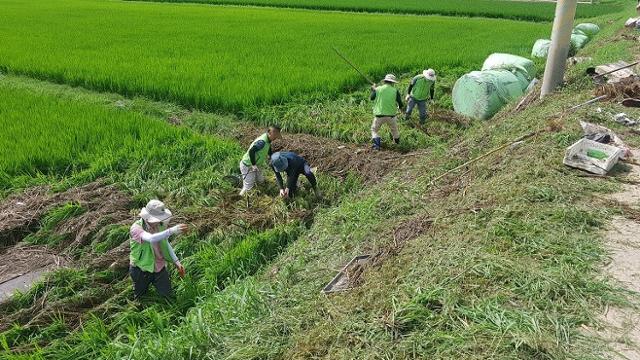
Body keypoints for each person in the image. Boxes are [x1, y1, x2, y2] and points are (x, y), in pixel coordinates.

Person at [129, 200, 188, 300]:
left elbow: (165, 243)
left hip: (159, 267)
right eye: (156, 219)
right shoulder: (136, 228)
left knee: (168, 296)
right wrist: (172, 230)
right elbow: (151, 238)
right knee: (141, 298)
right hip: (141, 269)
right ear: (147, 217)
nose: (158, 221)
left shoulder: (160, 226)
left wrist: (177, 262)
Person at [239, 126, 282, 196]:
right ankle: (240, 197)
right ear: (269, 133)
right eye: (275, 136)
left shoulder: (268, 140)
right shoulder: (262, 142)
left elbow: (268, 148)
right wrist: (253, 164)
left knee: (260, 180)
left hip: (257, 164)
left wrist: (271, 157)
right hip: (248, 165)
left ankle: (260, 192)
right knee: (248, 186)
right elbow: (251, 151)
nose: (275, 138)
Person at [370, 74, 404, 150]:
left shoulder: (378, 89)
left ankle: (377, 145)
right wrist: (401, 108)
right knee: (394, 130)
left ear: (385, 81)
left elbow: (371, 98)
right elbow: (400, 103)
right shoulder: (395, 91)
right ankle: (397, 145)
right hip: (391, 115)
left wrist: (373, 90)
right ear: (392, 83)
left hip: (379, 115)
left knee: (374, 130)